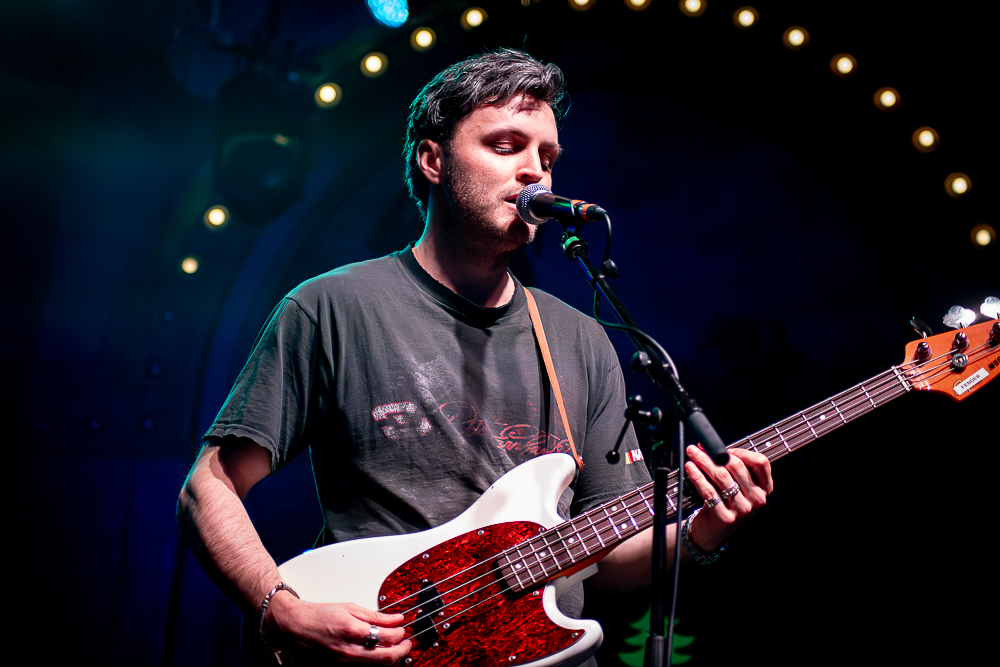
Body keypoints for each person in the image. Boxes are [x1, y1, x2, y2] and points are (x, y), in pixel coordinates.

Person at [177, 49, 773, 666]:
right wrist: (278, 606)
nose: (533, 174)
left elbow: (600, 559)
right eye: (506, 145)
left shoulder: (582, 339)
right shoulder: (332, 307)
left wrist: (701, 533)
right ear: (432, 161)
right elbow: (209, 487)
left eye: (547, 157)